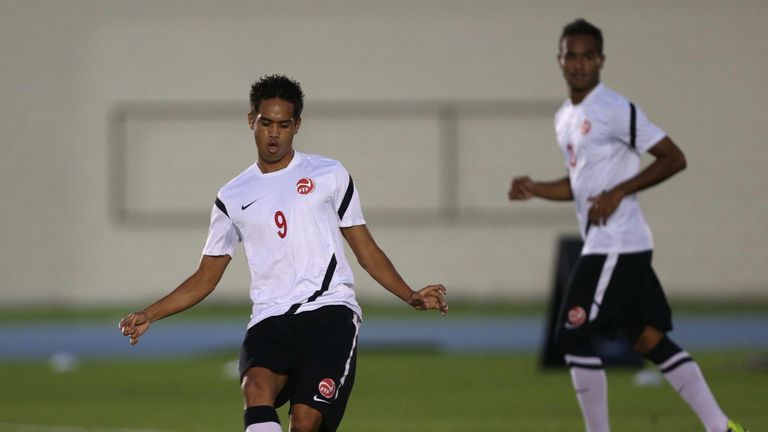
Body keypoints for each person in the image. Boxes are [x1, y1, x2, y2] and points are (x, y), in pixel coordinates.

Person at [119, 74, 448, 432]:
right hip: (270, 318)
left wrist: (410, 294)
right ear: (251, 121)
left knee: (303, 424)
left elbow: (365, 249)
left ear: (297, 126)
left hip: (329, 313)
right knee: (254, 387)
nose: (274, 133)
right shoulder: (232, 196)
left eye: (283, 124)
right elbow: (206, 276)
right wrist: (150, 313)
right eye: (266, 123)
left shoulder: (329, 174)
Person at [508, 19, 747, 432]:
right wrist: (537, 189)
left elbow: (674, 157)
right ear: (559, 60)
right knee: (647, 340)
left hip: (616, 243)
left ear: (601, 60)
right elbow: (581, 186)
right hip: (615, 244)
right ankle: (720, 426)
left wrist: (619, 192)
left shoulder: (615, 109)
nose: (579, 64)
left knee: (572, 335)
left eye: (587, 56)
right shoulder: (565, 116)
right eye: (571, 55)